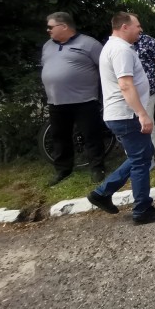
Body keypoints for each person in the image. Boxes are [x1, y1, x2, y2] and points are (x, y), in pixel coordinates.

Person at [86, 12, 155, 224]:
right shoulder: (120, 50)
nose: (140, 29)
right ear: (125, 27)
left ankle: (102, 193)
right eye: (137, 25)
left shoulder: (117, 47)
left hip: (124, 113)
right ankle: (142, 210)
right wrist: (142, 114)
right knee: (141, 161)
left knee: (142, 155)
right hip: (127, 114)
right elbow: (125, 84)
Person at [41, 11, 106, 185]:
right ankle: (63, 169)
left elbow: (106, 67)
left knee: (91, 135)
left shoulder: (89, 44)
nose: (48, 30)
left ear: (63, 26)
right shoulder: (48, 45)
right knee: (59, 137)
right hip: (56, 101)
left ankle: (97, 168)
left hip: (84, 100)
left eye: (50, 27)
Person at [133, 32, 155, 167]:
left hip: (146, 92)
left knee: (147, 124)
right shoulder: (118, 44)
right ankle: (134, 160)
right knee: (130, 127)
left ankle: (148, 160)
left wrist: (153, 80)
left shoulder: (149, 41)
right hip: (124, 94)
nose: (139, 29)